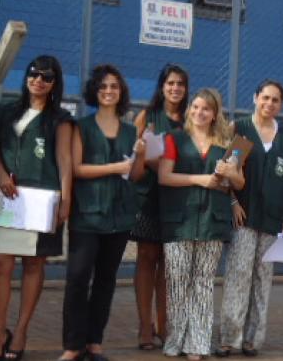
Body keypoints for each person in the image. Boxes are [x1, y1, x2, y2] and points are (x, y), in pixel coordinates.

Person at [0, 56, 73, 361]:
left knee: (34, 265)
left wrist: (66, 200)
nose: (38, 80)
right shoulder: (8, 110)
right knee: (0, 263)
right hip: (11, 199)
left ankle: (20, 332)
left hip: (43, 200)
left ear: (54, 84)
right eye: (33, 73)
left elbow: (65, 161)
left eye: (46, 77)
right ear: (26, 77)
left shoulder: (60, 118)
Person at [60, 64, 146, 361]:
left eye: (114, 87)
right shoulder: (81, 126)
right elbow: (77, 168)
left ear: (121, 92)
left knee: (106, 280)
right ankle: (73, 345)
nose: (109, 91)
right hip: (87, 215)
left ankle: (94, 343)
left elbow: (134, 176)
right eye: (103, 87)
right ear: (94, 92)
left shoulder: (132, 130)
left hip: (119, 217)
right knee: (77, 277)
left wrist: (141, 158)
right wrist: (115, 167)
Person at [158, 88, 243, 360]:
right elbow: (164, 176)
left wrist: (231, 173)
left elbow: (239, 183)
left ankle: (197, 344)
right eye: (195, 107)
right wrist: (200, 179)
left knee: (204, 284)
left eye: (205, 108)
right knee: (178, 283)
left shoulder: (230, 143)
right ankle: (175, 340)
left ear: (214, 113)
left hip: (212, 221)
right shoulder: (174, 138)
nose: (199, 112)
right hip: (179, 220)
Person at [217, 79, 283, 357]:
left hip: (273, 218)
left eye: (275, 100)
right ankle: (229, 338)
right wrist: (231, 202)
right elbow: (227, 171)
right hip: (245, 216)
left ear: (281, 104)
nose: (269, 104)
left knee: (263, 279)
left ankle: (253, 339)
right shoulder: (241, 129)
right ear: (255, 98)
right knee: (238, 276)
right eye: (265, 98)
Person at [131, 64, 189, 350]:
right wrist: (151, 156)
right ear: (162, 86)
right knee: (146, 258)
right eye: (170, 83)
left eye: (180, 84)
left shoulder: (191, 119)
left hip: (177, 201)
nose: (175, 88)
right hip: (149, 197)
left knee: (168, 265)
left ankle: (164, 324)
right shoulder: (147, 116)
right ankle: (144, 326)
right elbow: (134, 158)